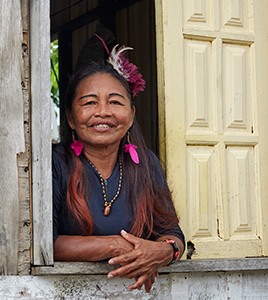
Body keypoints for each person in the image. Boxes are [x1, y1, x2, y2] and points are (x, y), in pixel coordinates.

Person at [52, 40, 184, 293]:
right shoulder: (55, 163)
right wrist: (115, 245)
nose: (103, 112)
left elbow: (172, 233)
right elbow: (47, 244)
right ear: (70, 117)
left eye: (114, 102)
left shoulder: (146, 163)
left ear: (131, 115)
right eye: (89, 103)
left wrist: (165, 251)